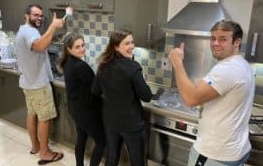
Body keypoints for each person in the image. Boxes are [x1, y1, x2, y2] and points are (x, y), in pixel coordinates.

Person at [168, 20, 255, 166]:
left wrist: (177, 63)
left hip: (214, 154)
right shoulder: (243, 65)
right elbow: (201, 91)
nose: (215, 43)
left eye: (223, 39)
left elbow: (191, 98)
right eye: (213, 38)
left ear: (237, 42)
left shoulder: (227, 69)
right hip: (235, 151)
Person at [15, 4, 72, 165]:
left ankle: (35, 146)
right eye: (35, 15)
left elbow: (39, 45)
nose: (39, 18)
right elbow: (39, 46)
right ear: (26, 15)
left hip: (28, 83)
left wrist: (52, 29)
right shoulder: (30, 31)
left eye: (41, 15)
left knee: (32, 114)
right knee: (44, 119)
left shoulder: (23, 31)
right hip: (38, 85)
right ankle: (45, 153)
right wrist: (53, 26)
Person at [92, 29, 153, 166]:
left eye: (132, 42)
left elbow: (95, 90)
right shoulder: (133, 68)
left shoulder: (103, 65)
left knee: (111, 159)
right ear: (115, 47)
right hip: (131, 124)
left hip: (111, 122)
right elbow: (147, 96)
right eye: (126, 43)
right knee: (137, 161)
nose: (131, 46)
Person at [59, 32, 106, 166]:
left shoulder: (68, 62)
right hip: (86, 111)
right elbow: (96, 89)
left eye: (83, 45)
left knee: (82, 137)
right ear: (69, 49)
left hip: (75, 109)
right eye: (77, 47)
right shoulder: (80, 66)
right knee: (102, 142)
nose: (82, 49)